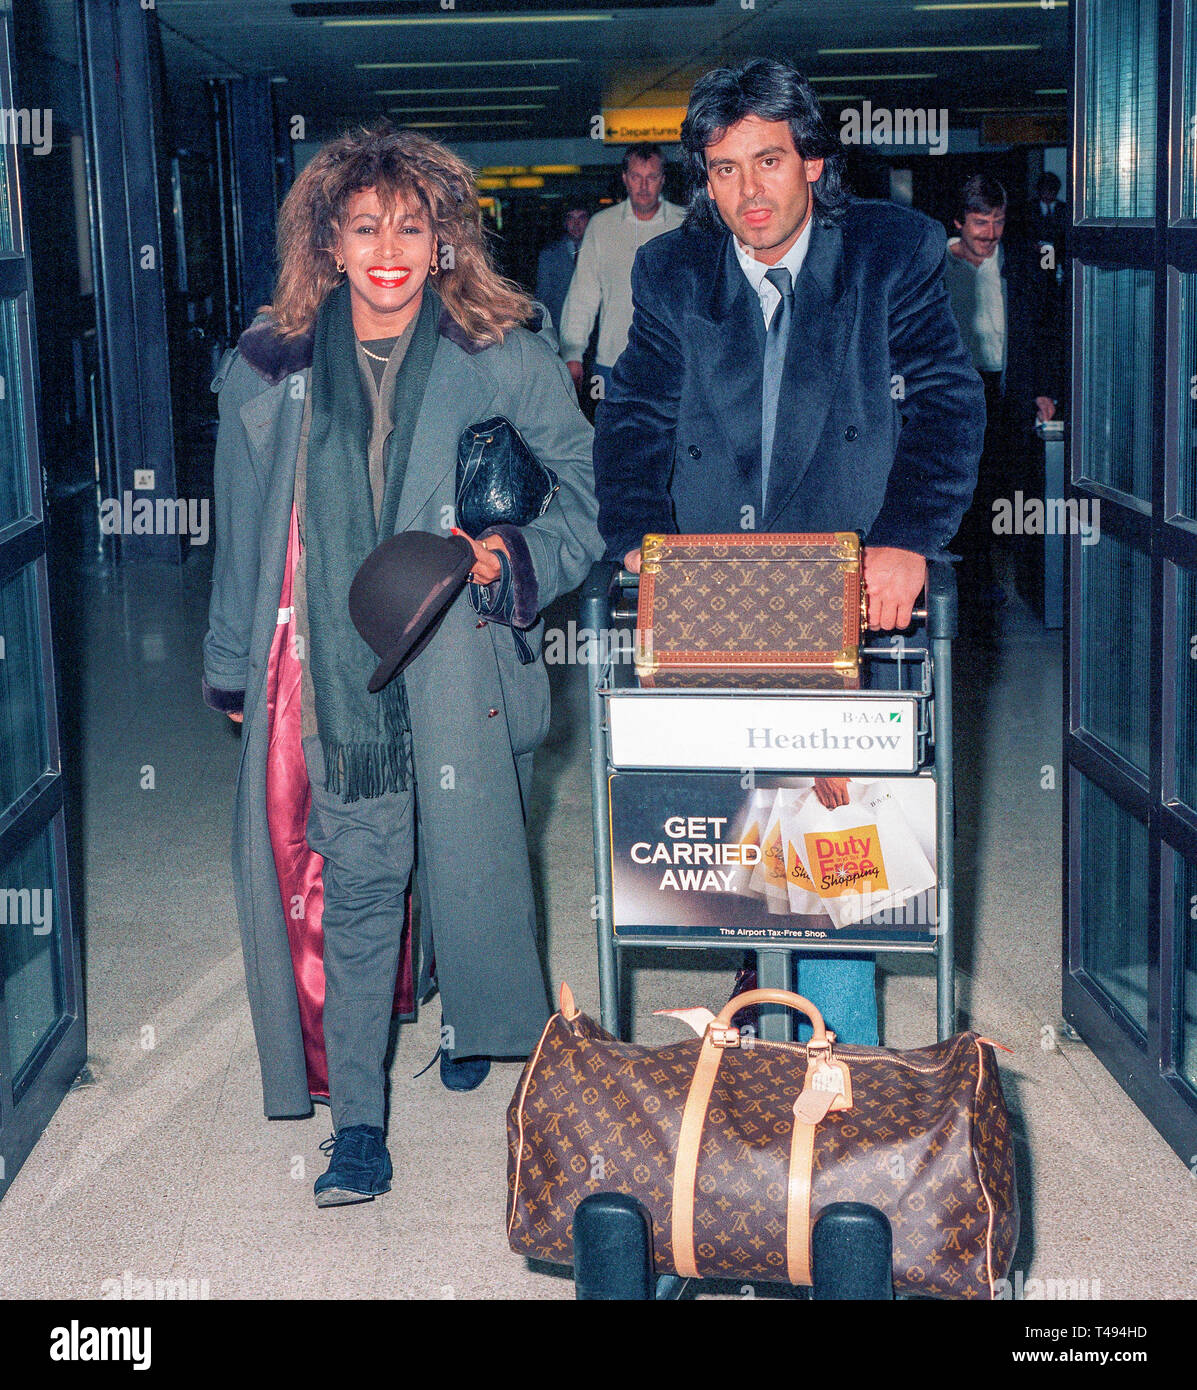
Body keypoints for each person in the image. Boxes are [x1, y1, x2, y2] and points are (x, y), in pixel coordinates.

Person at [201, 122, 603, 1207]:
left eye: (411, 227)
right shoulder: (268, 367)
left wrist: (511, 555)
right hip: (338, 684)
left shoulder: (503, 351)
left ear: (443, 241)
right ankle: (361, 1129)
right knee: (366, 884)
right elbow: (242, 539)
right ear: (329, 239)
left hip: (467, 665)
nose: (389, 249)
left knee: (471, 864)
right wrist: (233, 669)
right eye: (366, 226)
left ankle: (472, 1010)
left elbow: (583, 496)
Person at [592, 58, 985, 1047]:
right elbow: (635, 407)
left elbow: (944, 400)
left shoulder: (892, 252)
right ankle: (757, 1061)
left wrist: (905, 541)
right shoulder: (673, 269)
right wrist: (640, 543)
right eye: (722, 170)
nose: (747, 193)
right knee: (729, 843)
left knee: (833, 845)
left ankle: (834, 1076)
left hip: (840, 590)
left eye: (768, 161)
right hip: (714, 595)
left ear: (813, 159)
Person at [943, 174, 1058, 603]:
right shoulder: (932, 267)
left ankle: (1010, 580)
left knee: (1004, 488)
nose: (990, 234)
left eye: (998, 221)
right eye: (979, 222)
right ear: (958, 221)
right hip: (953, 394)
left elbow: (1047, 330)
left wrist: (1044, 390)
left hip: (1007, 390)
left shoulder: (1022, 264)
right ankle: (966, 582)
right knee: (961, 490)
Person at [558, 144, 685, 401]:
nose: (644, 186)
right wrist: (572, 354)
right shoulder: (601, 226)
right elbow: (583, 295)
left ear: (663, 180)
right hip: (614, 363)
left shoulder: (684, 224)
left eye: (652, 177)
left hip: (675, 362)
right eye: (637, 177)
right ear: (625, 179)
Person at [535, 202, 589, 341]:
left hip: (594, 332)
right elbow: (543, 295)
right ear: (565, 223)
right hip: (561, 331)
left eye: (581, 218)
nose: (576, 224)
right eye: (571, 218)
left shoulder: (600, 252)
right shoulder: (550, 255)